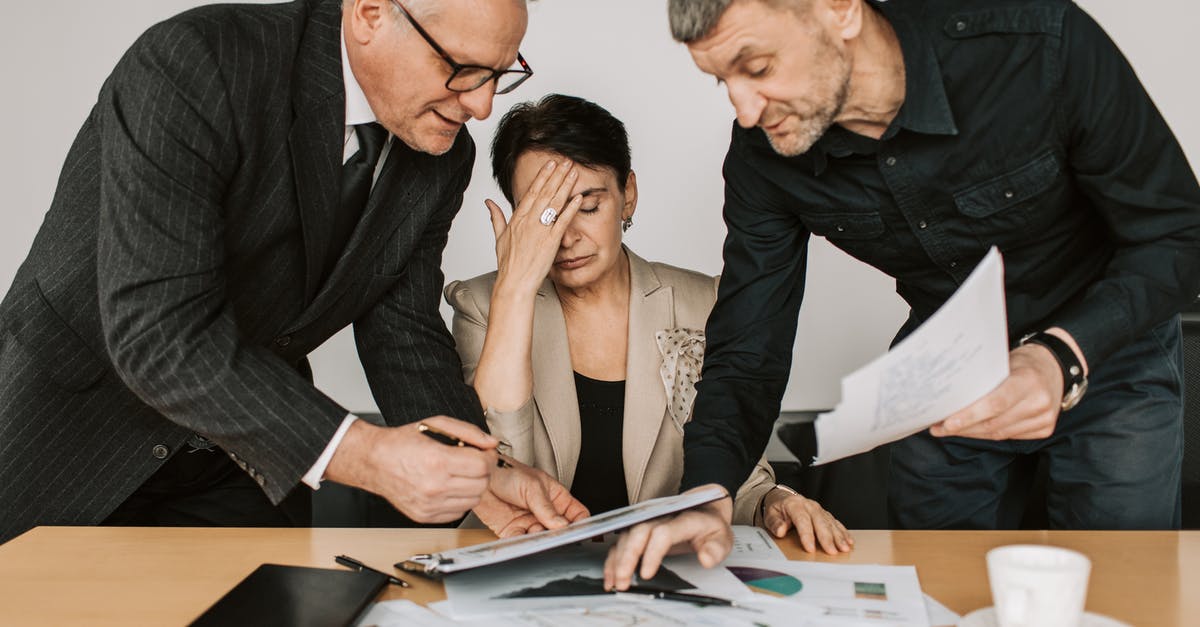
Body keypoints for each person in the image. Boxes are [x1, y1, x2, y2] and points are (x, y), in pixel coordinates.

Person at [604, 0, 1200, 590]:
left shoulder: (1040, 47)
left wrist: (1058, 356)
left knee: (1122, 589)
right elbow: (747, 348)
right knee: (935, 589)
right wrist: (708, 494)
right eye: (721, 81)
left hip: (1107, 348)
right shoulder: (762, 159)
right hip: (948, 370)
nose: (746, 110)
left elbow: (1178, 233)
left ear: (840, 11)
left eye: (756, 67)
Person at [0, 0, 587, 543]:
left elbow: (402, 332)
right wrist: (368, 455)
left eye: (501, 74)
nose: (483, 105)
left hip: (243, 457)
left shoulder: (442, 154)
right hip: (65, 434)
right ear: (371, 13)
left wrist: (481, 472)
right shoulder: (195, 62)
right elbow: (158, 332)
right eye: (462, 68)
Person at [445, 94, 852, 549]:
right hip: (519, 575)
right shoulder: (483, 305)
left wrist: (773, 501)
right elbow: (499, 469)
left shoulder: (706, 302)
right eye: (544, 215)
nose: (567, 237)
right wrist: (515, 291)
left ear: (627, 195)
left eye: (588, 205)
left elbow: (738, 479)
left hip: (663, 572)